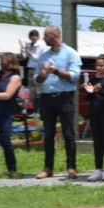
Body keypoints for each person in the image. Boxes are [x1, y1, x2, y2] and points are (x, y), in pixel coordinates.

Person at [35, 26, 81, 179]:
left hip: (65, 97)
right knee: (48, 134)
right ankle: (48, 168)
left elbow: (74, 76)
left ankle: (71, 167)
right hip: (47, 98)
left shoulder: (71, 54)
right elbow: (37, 79)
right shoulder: (43, 56)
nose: (44, 38)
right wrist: (42, 74)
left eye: (46, 36)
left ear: (55, 35)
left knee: (68, 133)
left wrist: (55, 71)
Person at [83, 55, 104, 181]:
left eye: (101, 65)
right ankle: (98, 168)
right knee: (97, 141)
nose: (99, 67)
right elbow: (88, 99)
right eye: (97, 65)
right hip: (94, 112)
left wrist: (100, 90)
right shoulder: (92, 79)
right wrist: (89, 91)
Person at [19, 29, 44, 115]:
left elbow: (36, 57)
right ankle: (34, 111)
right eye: (32, 35)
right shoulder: (28, 45)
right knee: (32, 91)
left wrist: (28, 51)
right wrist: (22, 48)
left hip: (37, 69)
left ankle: (39, 111)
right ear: (30, 37)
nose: (34, 37)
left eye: (35, 35)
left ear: (38, 37)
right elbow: (23, 57)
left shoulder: (40, 45)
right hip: (30, 68)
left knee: (38, 91)